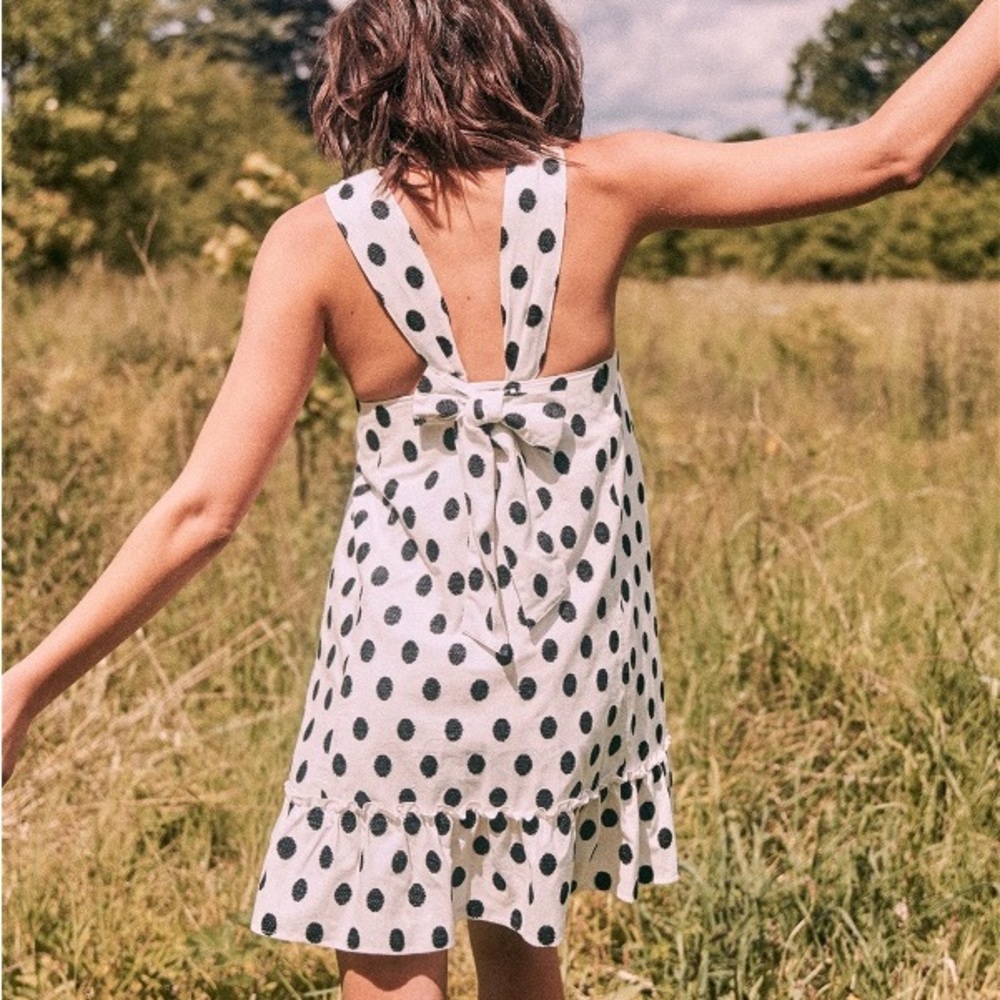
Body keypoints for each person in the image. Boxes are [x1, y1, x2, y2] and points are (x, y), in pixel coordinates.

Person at [3, 1, 997, 997]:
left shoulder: (314, 242)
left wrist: (28, 684)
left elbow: (202, 510)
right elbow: (889, 153)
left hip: (396, 670)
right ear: (526, 47)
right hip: (566, 664)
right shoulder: (611, 181)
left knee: (392, 975)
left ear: (368, 64)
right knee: (520, 946)